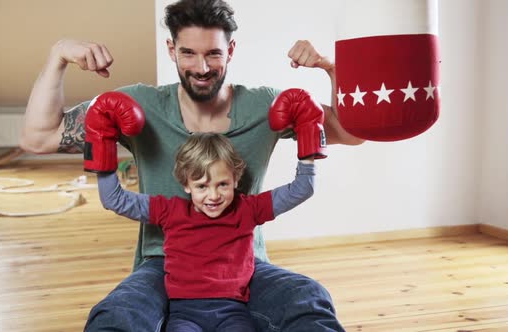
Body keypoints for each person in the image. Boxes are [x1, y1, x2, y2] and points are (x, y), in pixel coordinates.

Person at [20, 0, 364, 331]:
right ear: (172, 50)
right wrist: (58, 55)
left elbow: (352, 132)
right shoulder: (141, 104)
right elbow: (38, 138)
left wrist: (330, 68)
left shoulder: (265, 106)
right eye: (189, 53)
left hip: (244, 262)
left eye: (213, 53)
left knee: (308, 298)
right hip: (162, 263)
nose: (201, 68)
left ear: (230, 51)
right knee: (117, 315)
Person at [94, 125, 317, 331]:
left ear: (236, 179)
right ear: (186, 185)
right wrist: (102, 148)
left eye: (222, 184)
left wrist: (309, 145)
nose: (213, 196)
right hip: (184, 313)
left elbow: (302, 189)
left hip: (233, 311)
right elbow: (115, 199)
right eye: (201, 186)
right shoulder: (170, 210)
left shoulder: (248, 209)